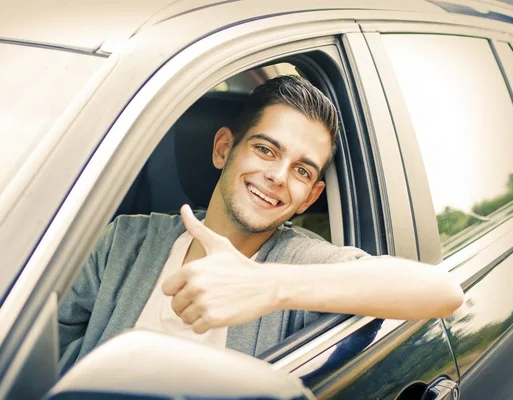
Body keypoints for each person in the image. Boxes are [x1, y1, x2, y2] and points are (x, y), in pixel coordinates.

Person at [57, 75, 464, 375]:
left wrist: (268, 286)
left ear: (310, 197)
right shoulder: (125, 241)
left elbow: (442, 291)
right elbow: (36, 352)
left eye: (302, 171)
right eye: (266, 149)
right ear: (223, 149)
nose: (278, 176)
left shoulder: (297, 261)